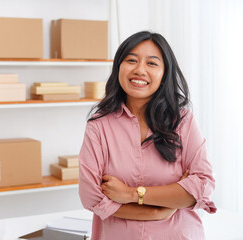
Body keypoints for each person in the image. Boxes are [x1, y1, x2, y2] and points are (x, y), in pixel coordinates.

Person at [78, 31, 216, 240]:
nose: (140, 70)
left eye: (152, 63)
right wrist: (160, 209)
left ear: (164, 73)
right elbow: (92, 197)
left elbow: (202, 185)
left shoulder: (184, 121)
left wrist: (130, 194)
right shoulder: (99, 126)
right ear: (118, 68)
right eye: (131, 60)